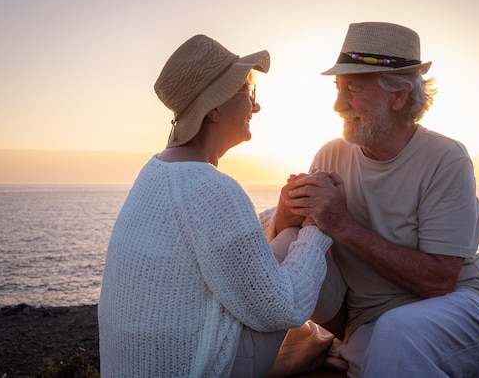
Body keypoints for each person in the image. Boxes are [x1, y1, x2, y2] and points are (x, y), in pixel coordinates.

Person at [267, 22, 479, 377]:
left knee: (396, 332)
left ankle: (357, 349)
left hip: (459, 309)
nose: (337, 104)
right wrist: (288, 210)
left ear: (397, 97)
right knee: (289, 244)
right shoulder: (329, 155)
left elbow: (440, 281)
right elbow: (304, 240)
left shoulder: (446, 158)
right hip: (368, 322)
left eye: (352, 89)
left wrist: (342, 224)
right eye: (337, 88)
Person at [97, 34, 334, 377]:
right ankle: (340, 341)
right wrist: (316, 227)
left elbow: (221, 243)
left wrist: (280, 219)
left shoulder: (155, 171)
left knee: (282, 244)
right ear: (215, 108)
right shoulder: (211, 187)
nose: (256, 106)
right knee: (294, 252)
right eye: (249, 92)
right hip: (197, 368)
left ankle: (317, 344)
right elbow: (283, 308)